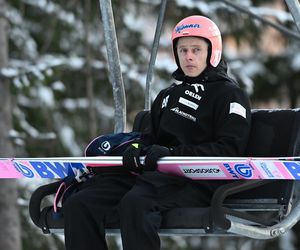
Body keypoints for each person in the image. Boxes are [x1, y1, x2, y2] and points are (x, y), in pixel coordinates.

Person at [63, 15, 251, 250]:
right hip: (154, 177)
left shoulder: (229, 95)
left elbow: (230, 149)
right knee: (80, 204)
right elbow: (149, 138)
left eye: (196, 49)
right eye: (182, 50)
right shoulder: (167, 96)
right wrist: (136, 150)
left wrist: (173, 153)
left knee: (137, 202)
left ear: (212, 52)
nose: (189, 56)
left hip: (197, 179)